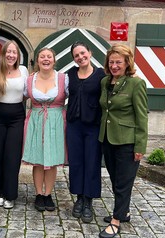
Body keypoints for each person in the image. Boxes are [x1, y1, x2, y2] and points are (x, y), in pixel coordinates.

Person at [98, 44, 148, 238]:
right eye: (111, 62)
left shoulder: (136, 84)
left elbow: (142, 116)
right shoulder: (105, 82)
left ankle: (116, 221)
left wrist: (140, 146)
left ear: (127, 63)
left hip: (127, 141)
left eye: (119, 62)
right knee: (115, 179)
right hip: (108, 138)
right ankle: (124, 212)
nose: (114, 66)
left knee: (123, 183)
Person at [22, 48, 68, 212]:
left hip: (55, 120)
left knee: (52, 159)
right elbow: (17, 96)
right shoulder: (29, 80)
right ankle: (39, 194)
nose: (46, 59)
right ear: (37, 61)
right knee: (38, 159)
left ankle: (48, 194)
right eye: (42, 56)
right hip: (36, 119)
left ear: (54, 60)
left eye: (49, 56)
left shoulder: (63, 79)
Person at [66, 42, 106, 223]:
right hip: (74, 126)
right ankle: (79, 198)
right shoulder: (70, 75)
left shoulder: (101, 75)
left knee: (91, 162)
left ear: (90, 53)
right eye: (76, 55)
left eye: (83, 53)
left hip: (93, 126)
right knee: (76, 163)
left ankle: (88, 201)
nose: (80, 57)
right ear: (73, 59)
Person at [0, 40, 29, 209]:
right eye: (8, 52)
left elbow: (27, 93)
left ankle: (10, 194)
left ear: (18, 55)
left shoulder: (24, 70)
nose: (11, 55)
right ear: (3, 54)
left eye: (14, 52)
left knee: (12, 156)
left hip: (17, 116)